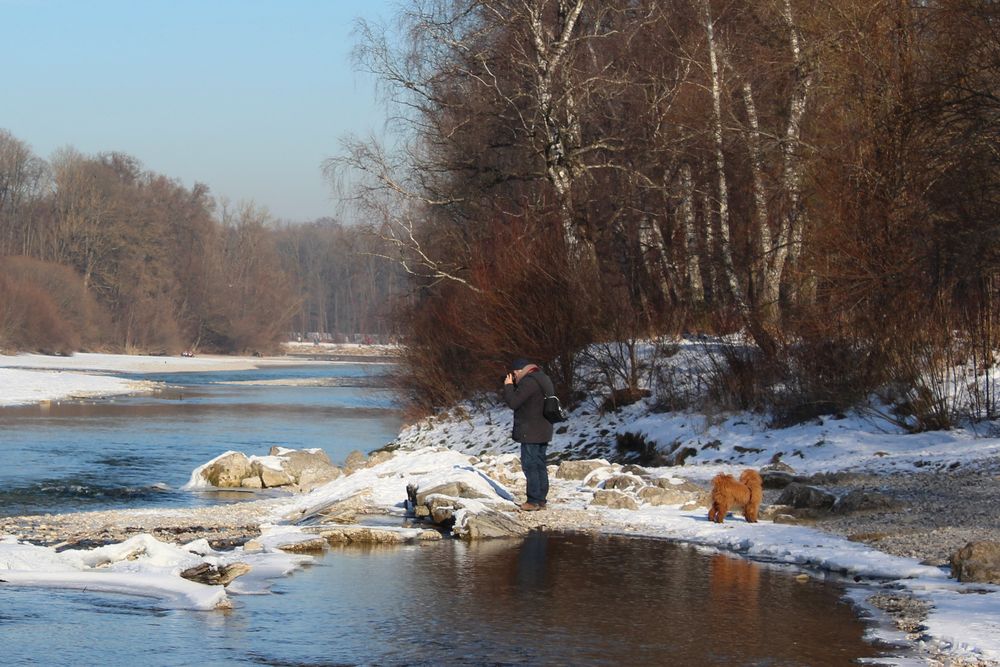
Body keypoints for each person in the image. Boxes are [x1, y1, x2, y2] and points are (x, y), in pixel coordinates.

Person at [503, 358, 554, 511]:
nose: (514, 376)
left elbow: (514, 402)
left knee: (530, 465)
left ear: (520, 370)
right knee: (539, 464)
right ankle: (541, 499)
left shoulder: (529, 382)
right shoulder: (544, 378)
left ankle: (532, 501)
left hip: (531, 430)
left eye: (514, 373)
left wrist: (508, 386)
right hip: (544, 428)